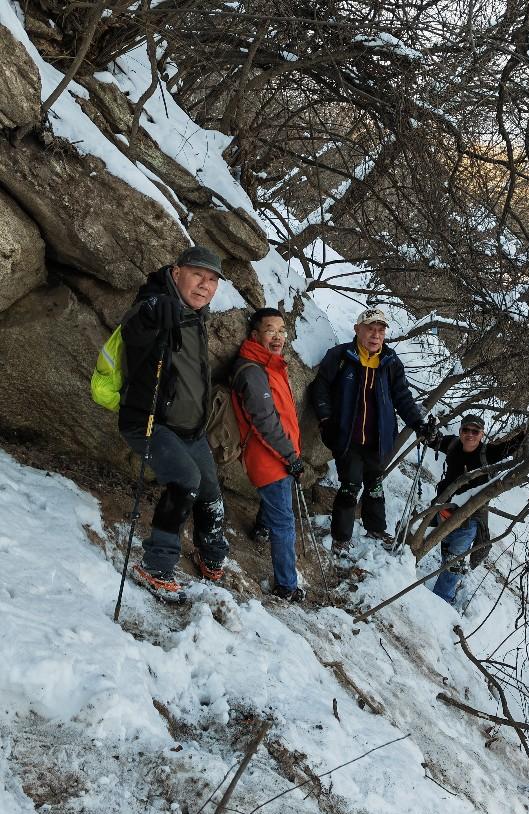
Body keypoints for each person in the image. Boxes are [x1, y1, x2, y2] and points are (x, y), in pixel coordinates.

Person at [119, 245, 230, 598]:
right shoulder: (156, 303)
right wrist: (152, 311)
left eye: (212, 280)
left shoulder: (197, 315)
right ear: (177, 271)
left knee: (211, 491)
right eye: (198, 274)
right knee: (186, 481)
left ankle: (210, 554)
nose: (205, 285)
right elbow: (133, 331)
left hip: (191, 430)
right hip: (149, 422)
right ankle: (156, 565)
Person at [311, 307, 434, 554]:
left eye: (380, 330)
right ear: (358, 330)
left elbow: (402, 397)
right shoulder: (341, 356)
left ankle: (375, 528)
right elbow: (320, 388)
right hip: (347, 437)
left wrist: (418, 423)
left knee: (375, 484)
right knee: (350, 485)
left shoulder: (390, 362)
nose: (375, 335)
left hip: (379, 439)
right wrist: (326, 419)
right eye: (370, 329)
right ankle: (341, 537)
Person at [231, 308, 304, 601]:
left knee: (278, 508)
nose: (278, 337)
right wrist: (290, 455)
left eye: (282, 330)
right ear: (254, 335)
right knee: (285, 521)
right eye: (270, 330)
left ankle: (261, 529)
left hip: (280, 454)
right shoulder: (253, 372)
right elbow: (264, 422)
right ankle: (286, 585)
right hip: (270, 457)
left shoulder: (271, 366)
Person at [429, 413, 525, 611]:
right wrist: (428, 432)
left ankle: (438, 603)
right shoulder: (453, 444)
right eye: (466, 430)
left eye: (475, 431)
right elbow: (434, 441)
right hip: (446, 510)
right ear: (460, 431)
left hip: (471, 517)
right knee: (447, 553)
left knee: (454, 559)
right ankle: (449, 584)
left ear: (482, 434)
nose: (470, 435)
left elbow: (512, 446)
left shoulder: (488, 453)